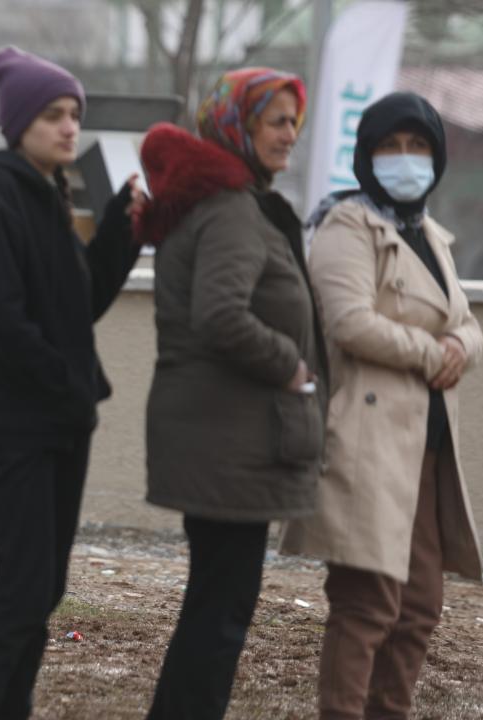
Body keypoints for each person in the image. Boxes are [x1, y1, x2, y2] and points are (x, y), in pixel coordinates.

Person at [0, 46, 146, 719]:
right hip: (15, 422)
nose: (70, 127)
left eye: (75, 115)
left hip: (58, 417)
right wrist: (65, 383)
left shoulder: (46, 193)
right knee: (23, 588)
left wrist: (121, 230)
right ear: (20, 120)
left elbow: (74, 304)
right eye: (55, 114)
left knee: (41, 585)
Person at [281, 92, 483, 720]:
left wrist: (459, 344)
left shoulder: (429, 232)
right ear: (366, 157)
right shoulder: (347, 224)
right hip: (368, 440)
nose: (405, 160)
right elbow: (348, 322)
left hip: (426, 448)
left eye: (417, 146)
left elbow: (467, 324)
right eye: (390, 147)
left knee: (419, 608)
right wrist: (433, 354)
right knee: (367, 603)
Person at [136, 68, 326, 720]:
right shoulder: (231, 211)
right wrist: (291, 367)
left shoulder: (219, 204)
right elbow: (221, 316)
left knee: (213, 609)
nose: (289, 135)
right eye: (275, 121)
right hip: (226, 446)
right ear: (235, 127)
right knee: (219, 617)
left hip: (219, 441)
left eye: (293, 123)